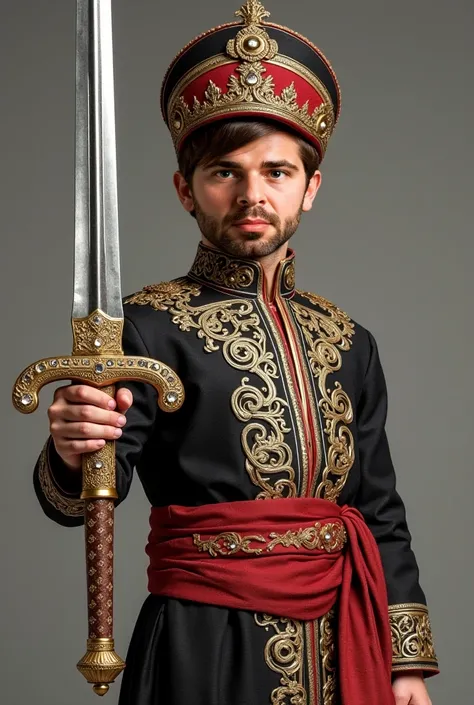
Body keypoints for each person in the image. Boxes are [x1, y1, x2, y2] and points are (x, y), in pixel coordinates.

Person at [33, 2, 439, 703]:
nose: (253, 194)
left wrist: (404, 664)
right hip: (203, 639)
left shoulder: (349, 341)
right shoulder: (142, 326)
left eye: (277, 171)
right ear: (185, 190)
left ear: (309, 189)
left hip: (345, 639)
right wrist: (72, 451)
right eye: (226, 171)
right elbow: (87, 497)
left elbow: (380, 513)